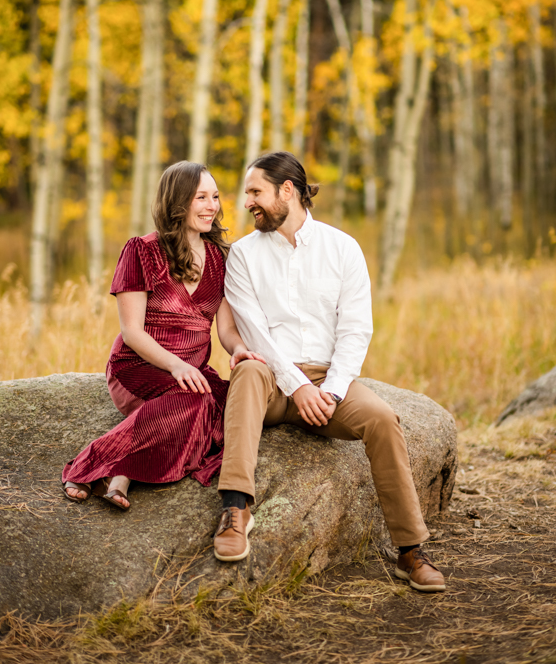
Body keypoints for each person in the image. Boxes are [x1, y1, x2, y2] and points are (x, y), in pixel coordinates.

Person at [213, 151, 446, 593]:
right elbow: (255, 334)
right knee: (246, 371)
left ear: (288, 191)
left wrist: (332, 391)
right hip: (270, 379)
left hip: (327, 382)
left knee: (382, 419)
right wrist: (298, 387)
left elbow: (356, 330)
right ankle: (235, 508)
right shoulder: (242, 255)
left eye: (255, 192)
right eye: (247, 194)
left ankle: (410, 550)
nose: (248, 202)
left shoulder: (344, 249)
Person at [62, 161, 264, 511]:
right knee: (197, 401)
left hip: (189, 373)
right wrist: (177, 367)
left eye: (215, 197)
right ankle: (92, 464)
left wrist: (239, 350)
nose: (212, 206)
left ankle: (122, 473)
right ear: (178, 202)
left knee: (231, 408)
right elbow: (132, 332)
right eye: (201, 197)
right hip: (139, 367)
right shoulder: (141, 250)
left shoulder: (222, 258)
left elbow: (226, 329)